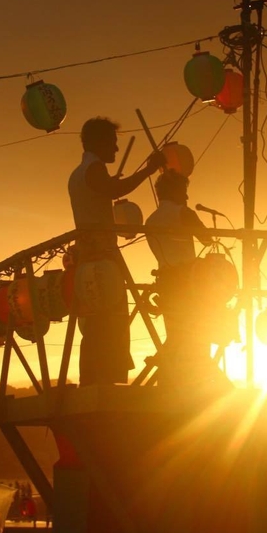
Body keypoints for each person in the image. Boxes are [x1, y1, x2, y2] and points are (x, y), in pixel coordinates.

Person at [68, 116, 163, 385]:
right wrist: (149, 169)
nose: (117, 149)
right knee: (113, 322)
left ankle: (92, 381)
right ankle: (110, 381)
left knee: (94, 326)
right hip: (103, 261)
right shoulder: (94, 168)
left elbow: (105, 190)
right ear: (99, 142)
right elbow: (114, 190)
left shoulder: (78, 173)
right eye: (113, 142)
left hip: (86, 260)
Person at [145, 169, 219, 386]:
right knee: (198, 334)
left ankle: (171, 381)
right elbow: (207, 240)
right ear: (176, 191)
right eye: (184, 191)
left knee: (176, 333)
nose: (187, 197)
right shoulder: (184, 213)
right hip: (189, 282)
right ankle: (196, 382)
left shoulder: (150, 221)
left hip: (166, 283)